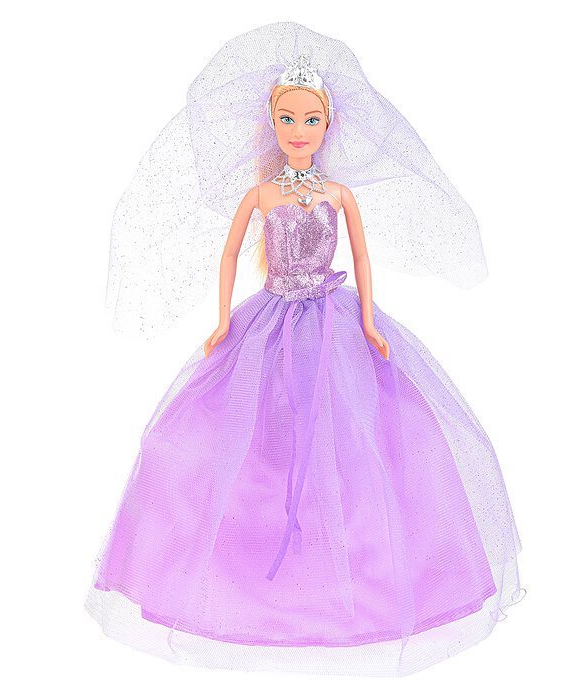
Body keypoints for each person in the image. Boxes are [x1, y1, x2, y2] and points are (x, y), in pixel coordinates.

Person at [85, 22, 525, 676]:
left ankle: (351, 572)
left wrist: (370, 321)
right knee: (252, 439)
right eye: (288, 118)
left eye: (310, 119)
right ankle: (252, 572)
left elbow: (363, 257)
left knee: (358, 439)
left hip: (336, 324)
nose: (299, 129)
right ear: (271, 123)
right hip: (268, 324)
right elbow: (230, 255)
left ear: (329, 125)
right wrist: (219, 323)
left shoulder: (338, 195)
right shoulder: (262, 194)